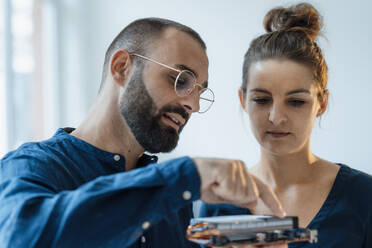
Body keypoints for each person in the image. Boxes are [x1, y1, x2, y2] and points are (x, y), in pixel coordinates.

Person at [0, 18, 285, 247]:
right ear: (122, 68)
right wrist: (184, 176)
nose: (193, 104)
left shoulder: (175, 202)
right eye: (181, 79)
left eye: (200, 91)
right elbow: (19, 239)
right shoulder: (31, 166)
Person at [200, 3, 372, 248]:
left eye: (296, 101)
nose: (276, 117)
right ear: (243, 100)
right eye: (261, 99)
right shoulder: (218, 204)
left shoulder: (363, 197)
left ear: (321, 103)